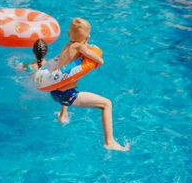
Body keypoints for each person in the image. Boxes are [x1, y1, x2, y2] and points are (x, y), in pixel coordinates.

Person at [41, 18, 130, 151]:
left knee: (67, 80)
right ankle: (109, 141)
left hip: (55, 93)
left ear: (68, 34)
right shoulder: (79, 47)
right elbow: (90, 54)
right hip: (68, 96)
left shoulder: (67, 46)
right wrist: (99, 61)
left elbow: (62, 74)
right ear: (87, 37)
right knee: (106, 104)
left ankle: (62, 115)